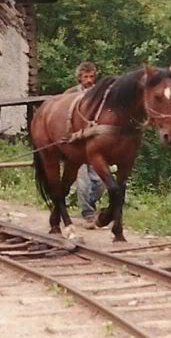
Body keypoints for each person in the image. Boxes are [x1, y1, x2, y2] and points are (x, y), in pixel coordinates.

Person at [67, 61, 104, 225]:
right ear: (79, 78)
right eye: (85, 77)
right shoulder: (71, 94)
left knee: (100, 182)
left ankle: (91, 204)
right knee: (83, 182)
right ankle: (88, 213)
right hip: (77, 143)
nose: (88, 80)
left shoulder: (100, 93)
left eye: (91, 76)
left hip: (96, 144)